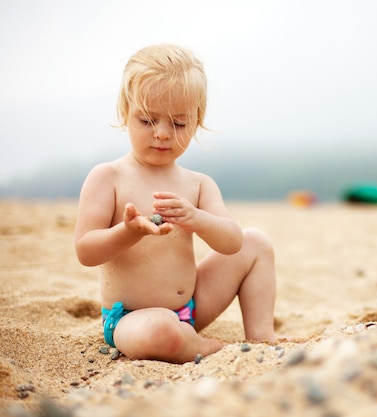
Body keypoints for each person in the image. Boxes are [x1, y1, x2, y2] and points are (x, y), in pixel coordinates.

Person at [74, 44, 280, 364]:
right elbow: (86, 250)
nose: (162, 134)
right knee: (161, 334)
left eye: (178, 124)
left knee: (256, 242)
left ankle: (261, 334)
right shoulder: (108, 177)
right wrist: (128, 232)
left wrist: (198, 219)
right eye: (147, 120)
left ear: (196, 122)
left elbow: (232, 241)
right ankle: (207, 347)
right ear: (125, 112)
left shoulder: (198, 183)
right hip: (131, 319)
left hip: (192, 306)